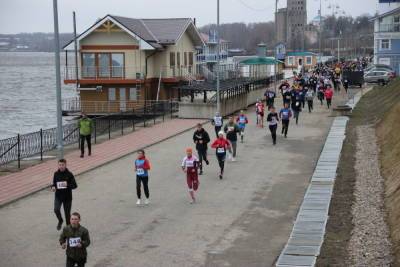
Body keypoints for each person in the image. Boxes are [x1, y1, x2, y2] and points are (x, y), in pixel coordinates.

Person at [52, 159, 77, 231]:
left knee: (67, 214)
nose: (61, 166)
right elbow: (54, 184)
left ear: (65, 165)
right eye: (60, 165)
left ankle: (68, 230)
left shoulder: (69, 174)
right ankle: (60, 220)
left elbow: (75, 185)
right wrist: (53, 187)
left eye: (62, 165)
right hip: (58, 196)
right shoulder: (56, 174)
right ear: (58, 165)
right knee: (56, 209)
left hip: (67, 197)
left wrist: (67, 185)